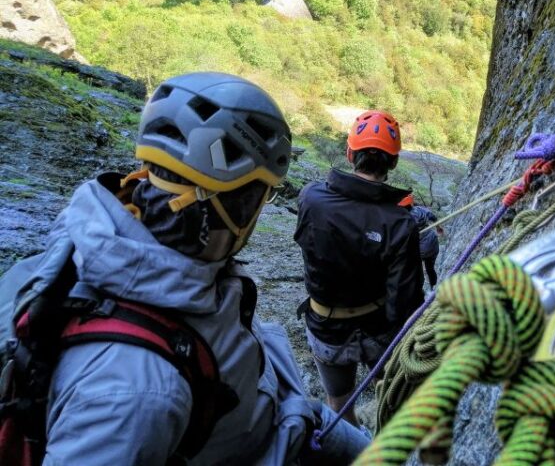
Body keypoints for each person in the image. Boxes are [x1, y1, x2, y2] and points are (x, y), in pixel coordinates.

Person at [5, 72, 369, 465]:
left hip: (291, 417)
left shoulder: (132, 246)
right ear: (233, 207)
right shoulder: (136, 396)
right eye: (259, 197)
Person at [294, 110, 424, 427]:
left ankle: (347, 445)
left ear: (350, 153)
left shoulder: (310, 197)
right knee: (390, 394)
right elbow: (404, 301)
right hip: (378, 330)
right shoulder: (399, 223)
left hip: (325, 325)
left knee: (339, 404)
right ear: (393, 163)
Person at [399, 194, 442, 288]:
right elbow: (433, 217)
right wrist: (438, 228)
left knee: (414, 269)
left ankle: (417, 289)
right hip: (433, 243)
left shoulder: (404, 219)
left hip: (420, 249)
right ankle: (433, 288)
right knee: (430, 268)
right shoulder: (420, 209)